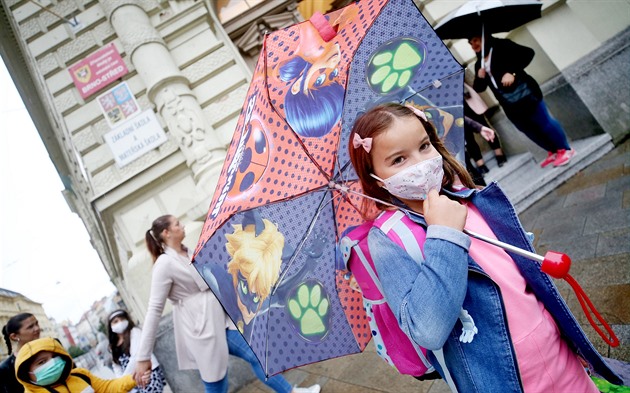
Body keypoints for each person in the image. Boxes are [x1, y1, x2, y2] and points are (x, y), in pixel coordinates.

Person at [347, 103, 621, 392]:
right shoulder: (389, 237)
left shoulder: (470, 198)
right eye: (399, 159)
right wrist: (444, 233)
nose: (419, 163)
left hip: (558, 353)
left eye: (424, 146)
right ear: (375, 176)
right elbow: (427, 329)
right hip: (502, 379)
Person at [133, 214, 320, 393]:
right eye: (176, 224)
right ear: (166, 233)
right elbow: (154, 309)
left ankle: (291, 391)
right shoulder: (163, 264)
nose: (182, 226)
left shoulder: (187, 252)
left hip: (220, 321)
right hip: (201, 330)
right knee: (216, 385)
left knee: (256, 356)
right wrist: (143, 357)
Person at [470, 35, 576, 168]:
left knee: (543, 122)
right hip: (508, 104)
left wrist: (512, 72)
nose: (473, 45)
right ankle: (553, 150)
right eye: (470, 43)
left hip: (526, 94)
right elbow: (479, 88)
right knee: (527, 129)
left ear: (484, 37)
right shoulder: (478, 64)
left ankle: (565, 149)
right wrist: (480, 77)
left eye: (475, 40)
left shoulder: (501, 46)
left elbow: (528, 53)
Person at [14, 336, 147, 392]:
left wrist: (134, 378)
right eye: (42, 362)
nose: (52, 363)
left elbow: (107, 388)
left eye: (55, 357)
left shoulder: (80, 375)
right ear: (26, 373)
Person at [107, 309, 165, 393]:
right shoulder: (113, 345)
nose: (120, 322)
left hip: (147, 375)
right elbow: (116, 366)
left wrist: (124, 381)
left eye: (122, 319)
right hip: (132, 382)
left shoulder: (135, 332)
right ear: (110, 326)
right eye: (115, 321)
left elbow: (136, 358)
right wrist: (121, 383)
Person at [464, 82, 507, 173]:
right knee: (468, 138)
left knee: (485, 127)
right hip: (454, 108)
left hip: (467, 99)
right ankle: (481, 164)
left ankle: (499, 154)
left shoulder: (451, 70)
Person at [1, 313, 41, 393]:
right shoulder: (6, 368)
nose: (37, 328)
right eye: (30, 327)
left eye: (36, 323)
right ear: (14, 336)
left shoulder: (53, 348)